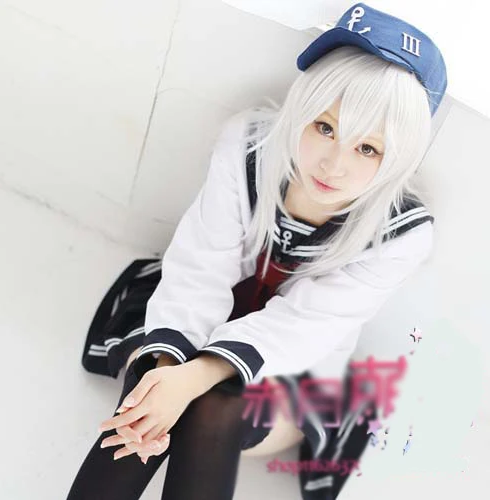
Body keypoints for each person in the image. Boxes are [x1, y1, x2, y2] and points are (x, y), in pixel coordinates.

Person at [66, 3, 447, 499]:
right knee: (153, 380)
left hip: (288, 370)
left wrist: (192, 381)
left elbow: (303, 328)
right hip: (194, 319)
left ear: (398, 155)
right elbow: (200, 267)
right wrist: (169, 377)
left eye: (367, 149)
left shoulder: (402, 233)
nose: (333, 165)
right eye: (325, 128)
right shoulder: (250, 145)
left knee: (214, 403)